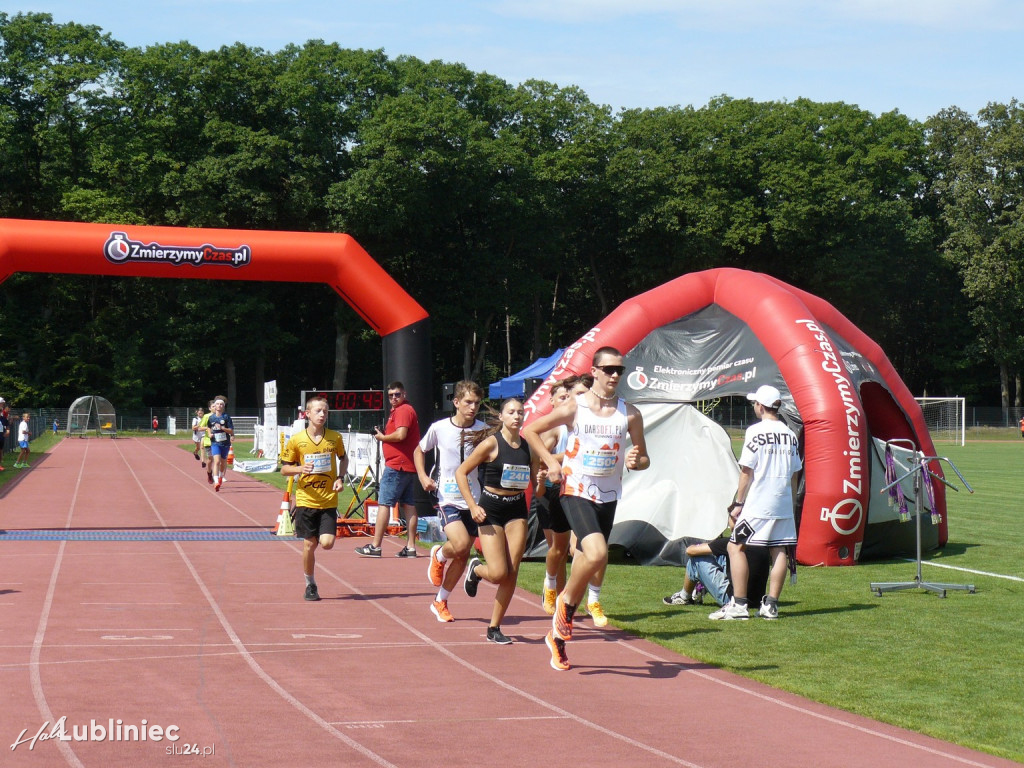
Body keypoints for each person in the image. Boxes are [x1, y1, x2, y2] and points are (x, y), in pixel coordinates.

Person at [523, 346, 650, 671]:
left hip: (608, 496)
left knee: (587, 559)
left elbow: (644, 457)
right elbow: (530, 430)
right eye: (608, 369)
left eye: (619, 370)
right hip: (575, 489)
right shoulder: (574, 408)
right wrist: (551, 461)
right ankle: (564, 605)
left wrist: (637, 461)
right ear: (594, 371)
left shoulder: (630, 413)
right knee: (596, 553)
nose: (614, 375)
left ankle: (558, 638)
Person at [709, 384, 802, 621]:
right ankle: (771, 604)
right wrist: (791, 505)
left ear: (761, 406)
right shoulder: (790, 435)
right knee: (779, 550)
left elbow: (746, 471)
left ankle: (739, 604)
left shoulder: (755, 432)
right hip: (782, 504)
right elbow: (795, 474)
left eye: (755, 404)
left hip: (760, 503)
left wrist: (738, 503)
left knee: (734, 546)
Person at [455, 398, 534, 644]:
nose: (517, 416)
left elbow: (538, 483)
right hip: (491, 510)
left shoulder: (528, 447)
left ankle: (494, 627)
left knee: (512, 572)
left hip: (517, 509)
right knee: (499, 572)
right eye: (511, 412)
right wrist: (472, 505)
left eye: (520, 412)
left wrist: (542, 479)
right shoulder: (491, 444)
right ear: (502, 417)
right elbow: (461, 472)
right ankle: (477, 570)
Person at [414, 380, 487, 623]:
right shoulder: (439, 428)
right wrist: (423, 476)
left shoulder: (484, 430)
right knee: (461, 542)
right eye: (468, 402)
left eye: (477, 403)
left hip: (474, 499)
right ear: (456, 402)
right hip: (448, 498)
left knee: (463, 553)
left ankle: (440, 601)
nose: (472, 407)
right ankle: (439, 556)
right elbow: (419, 450)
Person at [530, 374, 592, 615]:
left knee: (580, 548)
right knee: (558, 548)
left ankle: (567, 601)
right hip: (552, 491)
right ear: (553, 402)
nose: (569, 400)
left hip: (579, 489)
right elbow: (539, 460)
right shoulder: (554, 427)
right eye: (564, 397)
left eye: (572, 396)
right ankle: (551, 586)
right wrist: (541, 486)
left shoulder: (589, 422)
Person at [280, 394, 348, 601]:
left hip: (328, 499)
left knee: (327, 543)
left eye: (325, 411)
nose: (322, 414)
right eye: (318, 411)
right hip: (306, 500)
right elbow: (284, 469)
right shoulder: (297, 440)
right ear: (307, 414)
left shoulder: (335, 438)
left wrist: (339, 478)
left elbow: (343, 458)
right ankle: (310, 584)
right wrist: (300, 468)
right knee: (309, 544)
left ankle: (320, 532)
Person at [355, 382, 421, 557]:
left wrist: (383, 437)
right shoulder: (403, 410)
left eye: (397, 394)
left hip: (397, 465)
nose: (393, 398)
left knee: (384, 503)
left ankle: (376, 546)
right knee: (408, 505)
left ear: (404, 394)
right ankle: (411, 547)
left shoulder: (403, 410)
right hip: (406, 464)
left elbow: (401, 435)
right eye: (390, 395)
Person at [663, 535, 771, 609]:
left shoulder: (731, 542)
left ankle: (684, 596)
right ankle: (700, 587)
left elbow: (690, 551)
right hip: (757, 601)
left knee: (696, 559)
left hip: (734, 600)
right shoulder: (762, 542)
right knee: (721, 557)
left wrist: (695, 545)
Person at [205, 396, 234, 491]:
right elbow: (209, 427)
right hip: (215, 443)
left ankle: (221, 476)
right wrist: (209, 434)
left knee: (223, 462)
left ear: (223, 406)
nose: (219, 406)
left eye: (221, 404)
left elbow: (230, 431)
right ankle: (216, 481)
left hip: (225, 443)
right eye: (217, 404)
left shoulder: (226, 417)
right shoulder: (211, 418)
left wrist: (222, 428)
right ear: (215, 406)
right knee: (216, 461)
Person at [0, 399, 8, 471]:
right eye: (2, 403)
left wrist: (7, 431)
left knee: (1, 450)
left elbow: (6, 425)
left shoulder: (3, 418)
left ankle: (0, 465)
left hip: (1, 435)